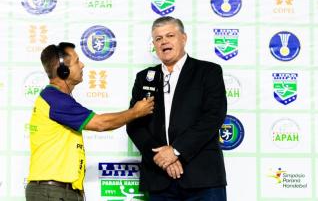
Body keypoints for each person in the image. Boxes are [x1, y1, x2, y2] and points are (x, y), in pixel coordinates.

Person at [25, 42, 154, 201]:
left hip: (58, 190)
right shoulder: (55, 99)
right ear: (63, 70)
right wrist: (136, 112)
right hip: (52, 192)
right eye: (77, 61)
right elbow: (101, 123)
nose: (82, 65)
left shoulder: (56, 98)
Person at [126, 16, 227, 200]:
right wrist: (163, 159)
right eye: (158, 38)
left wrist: (175, 150)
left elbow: (213, 117)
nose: (164, 41)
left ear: (184, 38)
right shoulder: (144, 77)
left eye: (170, 35)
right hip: (159, 179)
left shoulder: (209, 71)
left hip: (203, 178)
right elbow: (134, 124)